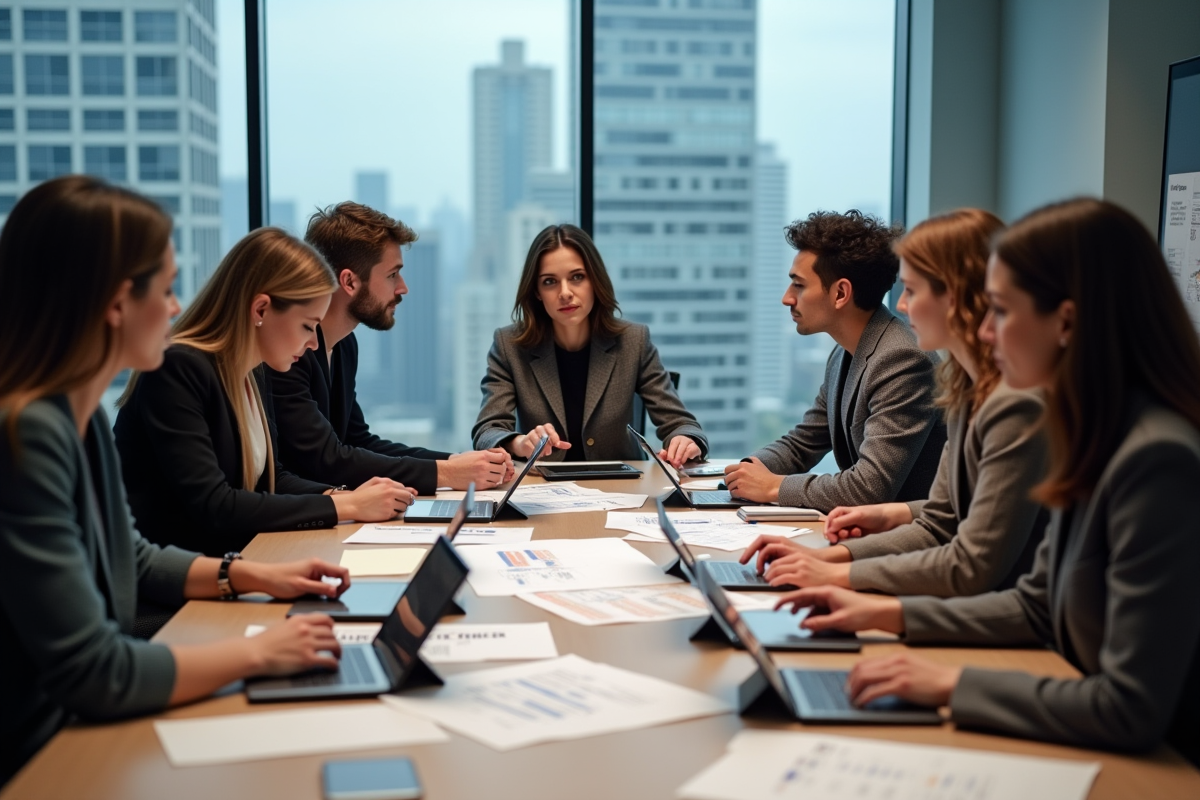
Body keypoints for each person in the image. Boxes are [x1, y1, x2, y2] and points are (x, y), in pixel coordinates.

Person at [773, 199, 1200, 765]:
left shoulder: (1155, 457)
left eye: (998, 310)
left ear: (1066, 322)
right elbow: (1036, 606)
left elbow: (1128, 707)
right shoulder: (1094, 429)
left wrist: (951, 684)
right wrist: (882, 612)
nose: (985, 330)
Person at [0, 176, 356, 785]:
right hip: (46, 753)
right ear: (115, 304)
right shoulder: (28, 434)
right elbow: (97, 671)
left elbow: (128, 559)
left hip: (88, 715)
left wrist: (249, 574)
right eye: (163, 289)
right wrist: (260, 652)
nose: (173, 307)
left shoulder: (72, 417)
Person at [740, 209, 1049, 597]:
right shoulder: (967, 387)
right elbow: (946, 515)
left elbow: (964, 552)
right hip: (935, 571)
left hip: (969, 596)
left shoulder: (914, 362)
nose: (902, 306)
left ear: (958, 297)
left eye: (914, 291)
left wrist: (831, 567)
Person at [114, 227, 415, 557]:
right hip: (175, 590)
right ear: (260, 310)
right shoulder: (179, 369)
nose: (314, 343)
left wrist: (341, 496)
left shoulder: (252, 370)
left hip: (234, 562)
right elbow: (216, 504)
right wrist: (348, 506)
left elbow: (271, 480)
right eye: (307, 326)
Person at [266, 202, 514, 495]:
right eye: (392, 274)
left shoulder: (345, 344)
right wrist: (446, 473)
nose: (403, 287)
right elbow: (325, 458)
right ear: (349, 281)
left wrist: (456, 462)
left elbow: (358, 441)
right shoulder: (290, 350)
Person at [723, 210, 945, 512]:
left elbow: (870, 486)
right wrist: (747, 471)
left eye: (798, 285)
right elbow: (805, 441)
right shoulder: (845, 351)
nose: (787, 298)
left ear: (841, 293)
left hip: (907, 543)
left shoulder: (903, 359)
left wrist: (773, 486)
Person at [473, 224, 708, 466]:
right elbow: (487, 430)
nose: (565, 293)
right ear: (537, 292)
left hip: (623, 491)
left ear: (594, 281)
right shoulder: (510, 345)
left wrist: (684, 439)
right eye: (550, 281)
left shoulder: (633, 341)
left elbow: (681, 423)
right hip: (542, 492)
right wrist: (519, 443)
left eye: (577, 277)